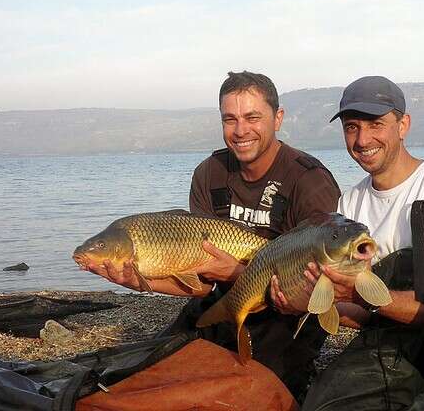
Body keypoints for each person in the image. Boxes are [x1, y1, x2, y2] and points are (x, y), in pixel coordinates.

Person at [85, 71, 341, 401]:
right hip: (223, 299)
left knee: (255, 391)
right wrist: (140, 281)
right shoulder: (210, 173)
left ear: (278, 118)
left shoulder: (309, 180)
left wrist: (238, 273)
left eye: (252, 117)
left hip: (287, 313)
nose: (240, 131)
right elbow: (201, 283)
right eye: (230, 119)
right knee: (157, 376)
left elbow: (316, 284)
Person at [272, 76, 424, 410]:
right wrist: (307, 302)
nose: (362, 139)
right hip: (387, 340)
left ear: (403, 125)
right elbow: (359, 314)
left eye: (376, 124)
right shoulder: (349, 204)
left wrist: (357, 292)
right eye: (352, 127)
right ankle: (415, 398)